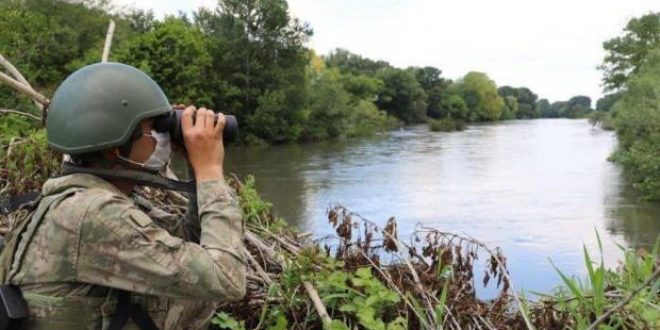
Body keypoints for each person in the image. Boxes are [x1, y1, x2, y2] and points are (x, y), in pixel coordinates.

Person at [0, 62, 246, 329]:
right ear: (113, 148)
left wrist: (194, 165)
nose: (161, 137)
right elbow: (226, 278)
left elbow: (192, 239)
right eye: (153, 128)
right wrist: (210, 171)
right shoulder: (93, 214)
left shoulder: (84, 198)